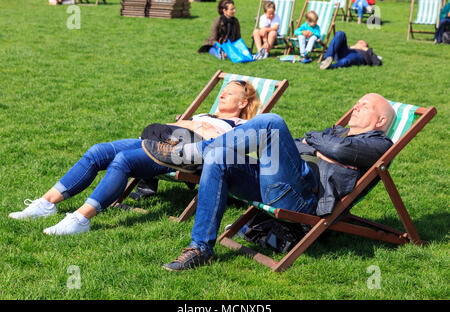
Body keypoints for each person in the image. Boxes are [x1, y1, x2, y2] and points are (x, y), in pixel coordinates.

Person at [143, 93, 395, 271]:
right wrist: (320, 145)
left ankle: (190, 153)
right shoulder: (336, 133)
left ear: (380, 120)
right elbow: (300, 142)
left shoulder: (379, 144)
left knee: (272, 122)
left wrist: (315, 143)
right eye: (358, 102)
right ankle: (200, 249)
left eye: (365, 106)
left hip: (301, 197)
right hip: (280, 179)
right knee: (219, 157)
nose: (356, 106)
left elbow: (335, 149)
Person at [8, 81, 260, 236]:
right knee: (98, 150)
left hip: (185, 154)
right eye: (222, 91)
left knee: (123, 161)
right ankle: (46, 204)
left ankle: (80, 219)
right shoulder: (205, 114)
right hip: (166, 140)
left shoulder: (238, 125)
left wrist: (200, 129)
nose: (222, 95)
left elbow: (220, 147)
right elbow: (172, 126)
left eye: (229, 92)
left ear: (243, 102)